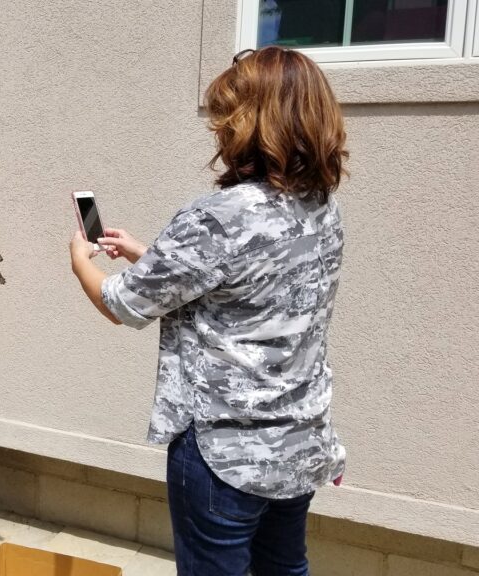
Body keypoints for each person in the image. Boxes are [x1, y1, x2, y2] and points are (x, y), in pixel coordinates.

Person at [69, 47, 348, 576]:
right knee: (284, 568)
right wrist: (148, 254)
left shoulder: (219, 216)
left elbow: (122, 303)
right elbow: (247, 287)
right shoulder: (322, 207)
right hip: (298, 441)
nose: (218, 131)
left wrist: (80, 262)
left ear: (250, 124)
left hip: (226, 454)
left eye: (226, 117)